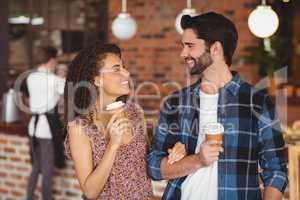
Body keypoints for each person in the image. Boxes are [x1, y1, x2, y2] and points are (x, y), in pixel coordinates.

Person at [147, 12, 288, 200]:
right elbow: (155, 167)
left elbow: (276, 171)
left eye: (190, 46)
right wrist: (197, 160)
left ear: (215, 48)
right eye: (183, 46)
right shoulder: (175, 103)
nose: (183, 53)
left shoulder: (258, 103)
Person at [64, 42, 185, 200]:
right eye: (116, 69)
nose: (126, 73)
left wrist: (174, 150)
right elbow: (90, 192)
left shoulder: (134, 112)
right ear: (97, 80)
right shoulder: (80, 127)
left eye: (123, 67)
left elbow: (149, 160)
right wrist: (113, 145)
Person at [26, 46, 66, 200]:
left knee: (36, 167)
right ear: (51, 60)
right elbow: (73, 93)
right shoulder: (55, 80)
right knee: (47, 171)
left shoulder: (30, 77)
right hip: (46, 130)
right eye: (55, 60)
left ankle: (28, 197)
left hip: (33, 128)